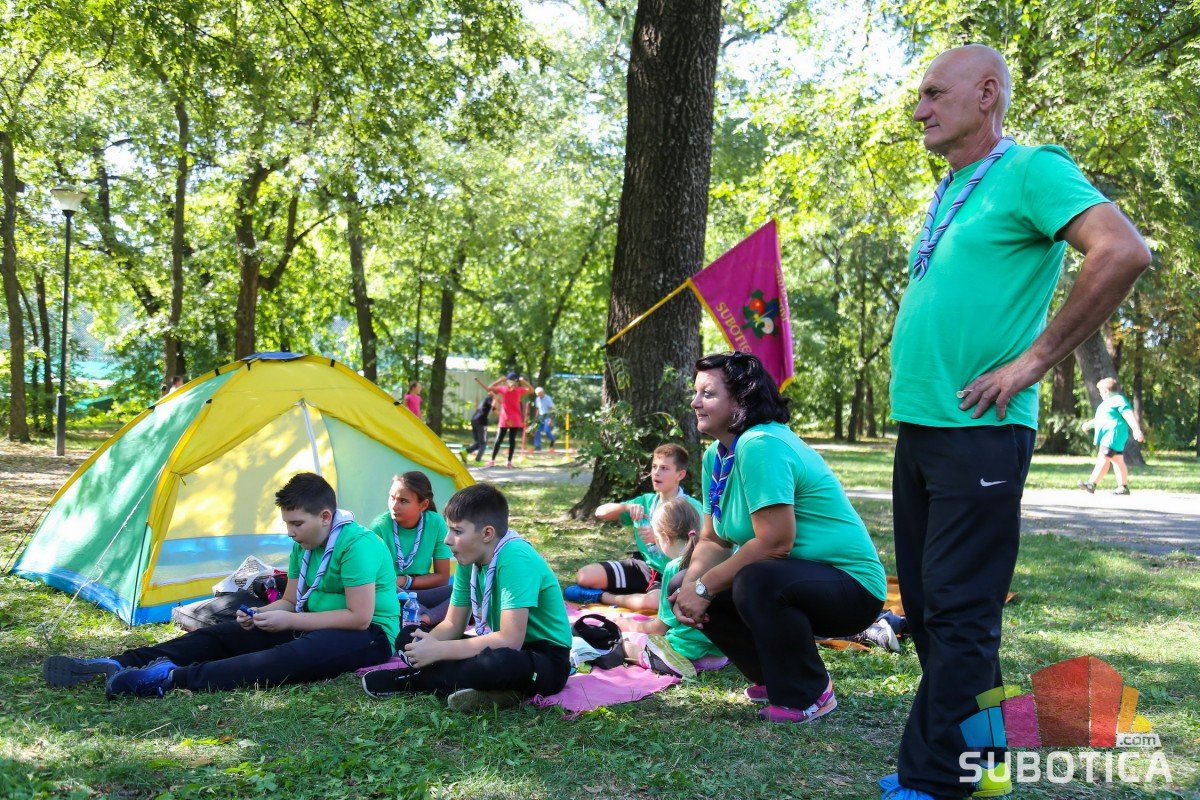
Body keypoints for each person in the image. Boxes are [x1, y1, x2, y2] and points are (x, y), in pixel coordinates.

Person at [882, 44, 1151, 800]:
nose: (920, 110)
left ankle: (941, 779)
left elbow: (1123, 251)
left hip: (981, 431)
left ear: (986, 94)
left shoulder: (1031, 169)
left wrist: (1032, 363)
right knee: (928, 608)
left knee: (960, 609)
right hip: (923, 426)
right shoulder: (953, 188)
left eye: (934, 93)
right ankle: (988, 756)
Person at [43, 473, 399, 697]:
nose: (290, 533)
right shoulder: (303, 545)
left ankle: (169, 678)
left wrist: (289, 620)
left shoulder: (358, 545)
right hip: (310, 622)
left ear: (325, 517)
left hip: (372, 636)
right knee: (223, 634)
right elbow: (291, 601)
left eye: (296, 524)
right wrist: (262, 614)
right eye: (287, 524)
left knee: (282, 660)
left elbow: (359, 618)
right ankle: (116, 663)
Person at [674, 352, 886, 725]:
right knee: (684, 582)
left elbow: (775, 544)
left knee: (754, 579)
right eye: (696, 392)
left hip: (851, 588)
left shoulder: (761, 444)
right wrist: (692, 588)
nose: (695, 402)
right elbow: (713, 540)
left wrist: (704, 588)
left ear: (740, 399)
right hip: (794, 578)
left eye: (708, 393)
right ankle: (776, 678)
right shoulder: (715, 456)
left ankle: (809, 693)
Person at [360, 483, 572, 712]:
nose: (447, 539)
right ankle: (496, 691)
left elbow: (511, 640)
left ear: (487, 533)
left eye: (457, 531)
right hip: (501, 646)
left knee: (495, 663)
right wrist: (426, 645)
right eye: (449, 530)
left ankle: (414, 680)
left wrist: (439, 651)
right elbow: (452, 624)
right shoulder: (469, 558)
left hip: (543, 658)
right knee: (410, 635)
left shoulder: (515, 557)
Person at [564, 443, 703, 611]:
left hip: (671, 573)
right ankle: (635, 594)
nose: (656, 473)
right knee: (584, 576)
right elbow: (600, 513)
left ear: (680, 474)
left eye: (664, 468)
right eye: (654, 467)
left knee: (654, 603)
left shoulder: (692, 507)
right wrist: (626, 507)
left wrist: (658, 539)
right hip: (642, 567)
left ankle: (602, 596)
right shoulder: (645, 502)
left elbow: (701, 546)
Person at [613, 497, 724, 679]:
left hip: (684, 652)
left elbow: (659, 629)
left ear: (664, 537)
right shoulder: (715, 559)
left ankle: (658, 660)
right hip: (719, 654)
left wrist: (628, 625)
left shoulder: (674, 568)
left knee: (626, 642)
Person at [369, 472, 454, 626]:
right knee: (383, 596)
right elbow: (376, 580)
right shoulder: (379, 527)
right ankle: (425, 617)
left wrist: (405, 581)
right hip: (393, 593)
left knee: (469, 590)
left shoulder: (436, 523)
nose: (394, 506)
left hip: (423, 592)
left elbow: (442, 578)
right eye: (392, 498)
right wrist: (401, 587)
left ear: (423, 505)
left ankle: (424, 618)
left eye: (403, 501)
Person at [1079, 378, 1145, 495]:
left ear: (1106, 391)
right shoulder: (1106, 404)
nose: (1100, 394)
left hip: (1113, 435)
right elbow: (1101, 419)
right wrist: (1089, 425)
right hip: (1111, 436)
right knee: (1117, 460)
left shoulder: (1118, 400)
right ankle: (1123, 487)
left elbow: (1128, 414)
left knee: (1103, 458)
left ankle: (1092, 483)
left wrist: (1136, 430)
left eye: (1101, 392)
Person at [487, 372, 532, 468]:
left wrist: (523, 382)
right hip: (506, 418)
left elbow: (531, 390)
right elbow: (490, 388)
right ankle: (493, 460)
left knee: (510, 440)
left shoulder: (518, 390)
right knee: (500, 439)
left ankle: (508, 461)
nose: (512, 383)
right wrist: (501, 380)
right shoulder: (504, 389)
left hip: (514, 419)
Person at [465, 384, 495, 463]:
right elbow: (494, 409)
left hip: (474, 420)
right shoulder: (491, 399)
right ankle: (477, 461)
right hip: (481, 422)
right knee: (483, 444)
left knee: (478, 443)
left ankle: (465, 452)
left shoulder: (486, 399)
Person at [532, 386, 557, 452]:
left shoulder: (548, 398)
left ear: (543, 392)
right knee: (537, 430)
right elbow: (537, 409)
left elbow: (552, 409)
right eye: (538, 394)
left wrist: (551, 420)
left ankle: (553, 439)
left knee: (547, 430)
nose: (539, 394)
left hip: (548, 416)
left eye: (540, 393)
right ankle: (537, 446)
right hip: (541, 416)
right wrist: (536, 419)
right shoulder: (537, 399)